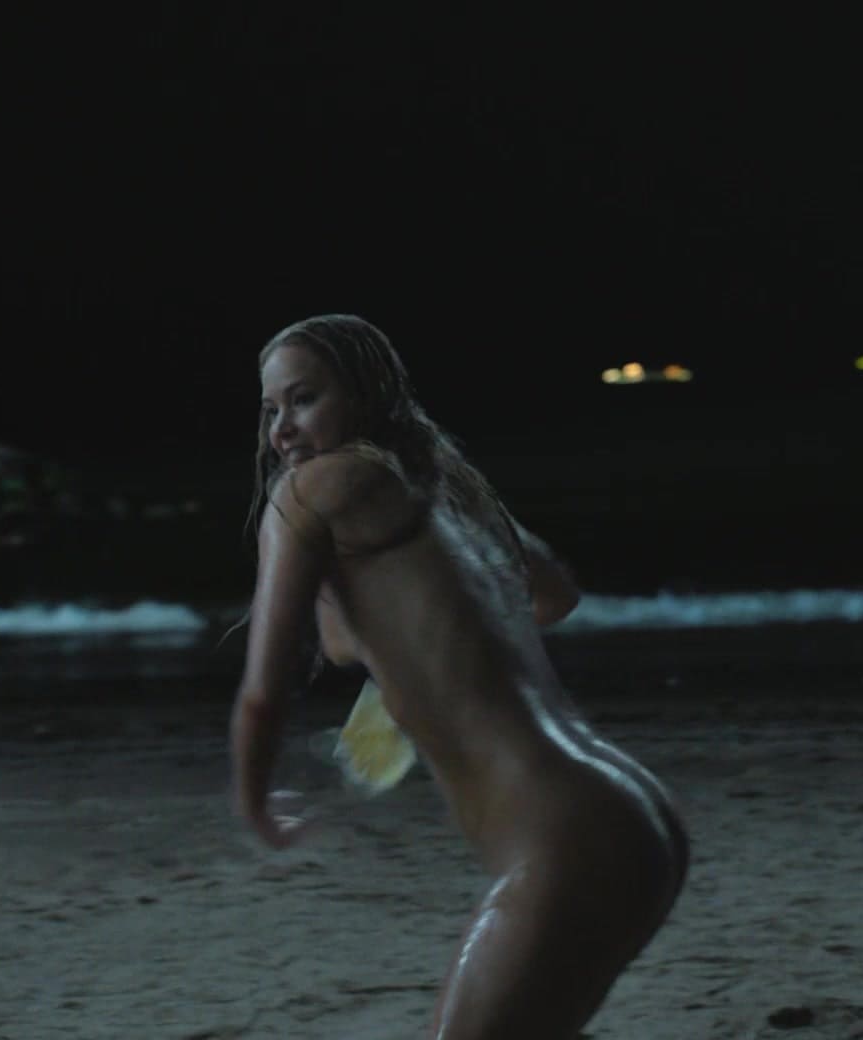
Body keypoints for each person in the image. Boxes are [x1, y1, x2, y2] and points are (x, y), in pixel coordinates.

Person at [227, 314, 689, 1039]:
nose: (282, 430)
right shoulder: (438, 481)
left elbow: (264, 691)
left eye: (304, 399)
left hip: (563, 843)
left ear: (364, 394)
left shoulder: (310, 493)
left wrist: (256, 803)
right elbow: (553, 595)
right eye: (270, 410)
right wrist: (437, 647)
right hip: (634, 812)